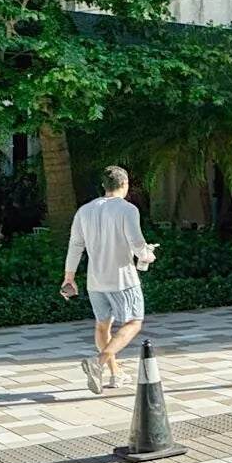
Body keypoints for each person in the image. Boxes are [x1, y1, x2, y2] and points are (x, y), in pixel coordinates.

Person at [61, 165, 158, 394]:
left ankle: (116, 374)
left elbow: (75, 245)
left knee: (102, 325)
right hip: (122, 279)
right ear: (125, 184)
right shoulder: (127, 209)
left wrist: (69, 277)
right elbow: (137, 244)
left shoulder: (84, 210)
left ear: (104, 186)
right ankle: (98, 362)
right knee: (133, 322)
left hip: (95, 280)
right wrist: (147, 255)